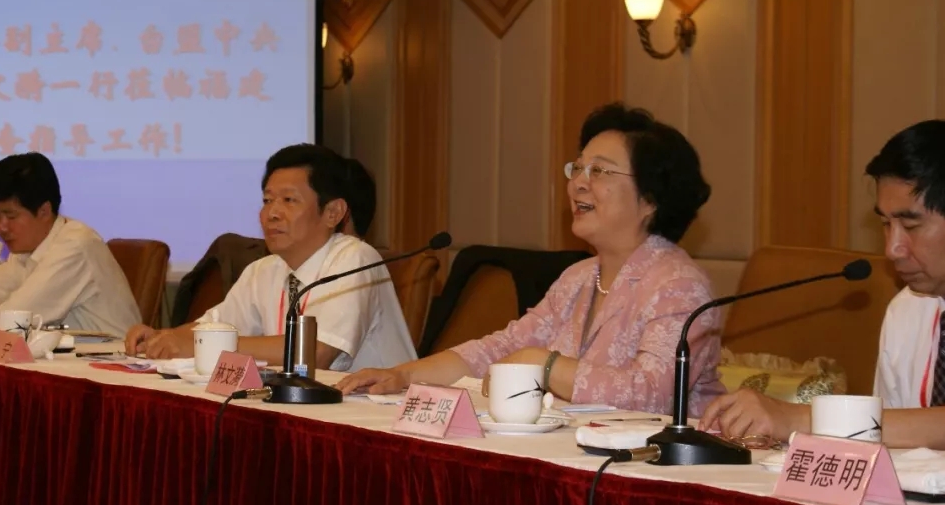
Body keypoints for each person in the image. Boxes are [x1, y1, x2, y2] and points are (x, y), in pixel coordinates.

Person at [339, 103, 724, 416]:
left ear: (651, 199)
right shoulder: (578, 278)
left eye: (600, 170)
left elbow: (655, 395)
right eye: (578, 167)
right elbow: (501, 348)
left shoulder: (678, 285)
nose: (578, 183)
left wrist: (546, 365)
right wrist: (403, 376)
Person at [698, 119, 945, 449]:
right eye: (886, 224)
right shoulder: (907, 309)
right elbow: (884, 436)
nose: (892, 249)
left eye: (911, 226)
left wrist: (796, 419)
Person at [125, 144, 416, 372]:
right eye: (267, 200)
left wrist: (205, 345)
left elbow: (315, 353)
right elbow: (215, 327)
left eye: (289, 200)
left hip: (376, 416)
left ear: (333, 212)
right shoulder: (264, 269)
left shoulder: (355, 258)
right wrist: (163, 338)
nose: (272, 213)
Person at [0, 152, 140, 337]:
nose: (2, 227)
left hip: (112, 356)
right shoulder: (24, 250)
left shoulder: (75, 245)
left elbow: (13, 321)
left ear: (44, 211)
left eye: (11, 216)